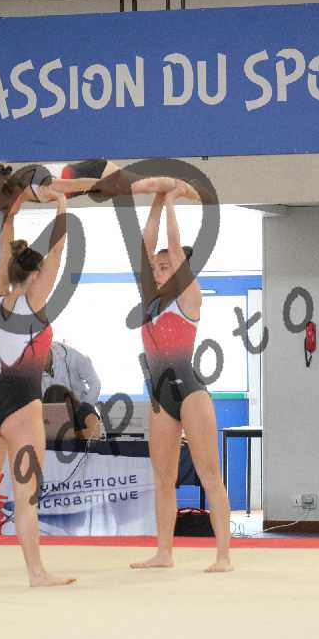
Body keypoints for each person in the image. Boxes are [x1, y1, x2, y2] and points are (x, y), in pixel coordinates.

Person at [0, 185, 76, 587]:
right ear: (36, 273)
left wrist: (14, 205)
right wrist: (61, 203)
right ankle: (36, 572)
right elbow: (58, 250)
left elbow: (4, 243)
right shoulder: (34, 302)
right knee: (25, 495)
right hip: (24, 404)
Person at [130, 189, 233, 573]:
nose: (157, 272)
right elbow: (145, 245)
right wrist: (157, 198)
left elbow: (173, 248)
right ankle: (164, 552)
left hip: (190, 392)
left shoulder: (189, 297)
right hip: (160, 397)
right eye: (155, 268)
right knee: (163, 477)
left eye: (164, 267)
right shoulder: (149, 300)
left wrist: (172, 199)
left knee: (209, 474)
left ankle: (223, 555)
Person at [0, 159, 201, 208]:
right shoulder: (10, 188)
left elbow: (75, 185)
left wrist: (106, 183)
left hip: (92, 174)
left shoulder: (39, 185)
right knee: (139, 188)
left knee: (141, 186)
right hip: (85, 187)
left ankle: (190, 189)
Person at [43, 340, 101, 408]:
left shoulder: (73, 356)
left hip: (81, 405)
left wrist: (85, 409)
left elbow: (95, 382)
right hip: (54, 411)